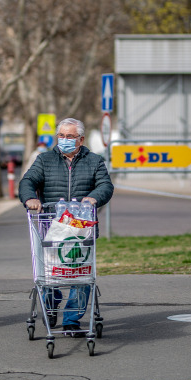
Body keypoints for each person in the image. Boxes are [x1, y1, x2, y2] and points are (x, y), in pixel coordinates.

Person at [18, 118, 113, 337]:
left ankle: (72, 319)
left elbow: (105, 185)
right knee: (50, 276)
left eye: (70, 137)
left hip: (82, 231)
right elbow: (28, 181)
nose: (64, 140)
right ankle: (51, 307)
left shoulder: (94, 161)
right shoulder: (45, 160)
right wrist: (30, 197)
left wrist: (93, 197)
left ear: (81, 139)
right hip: (51, 229)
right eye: (61, 136)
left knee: (81, 276)